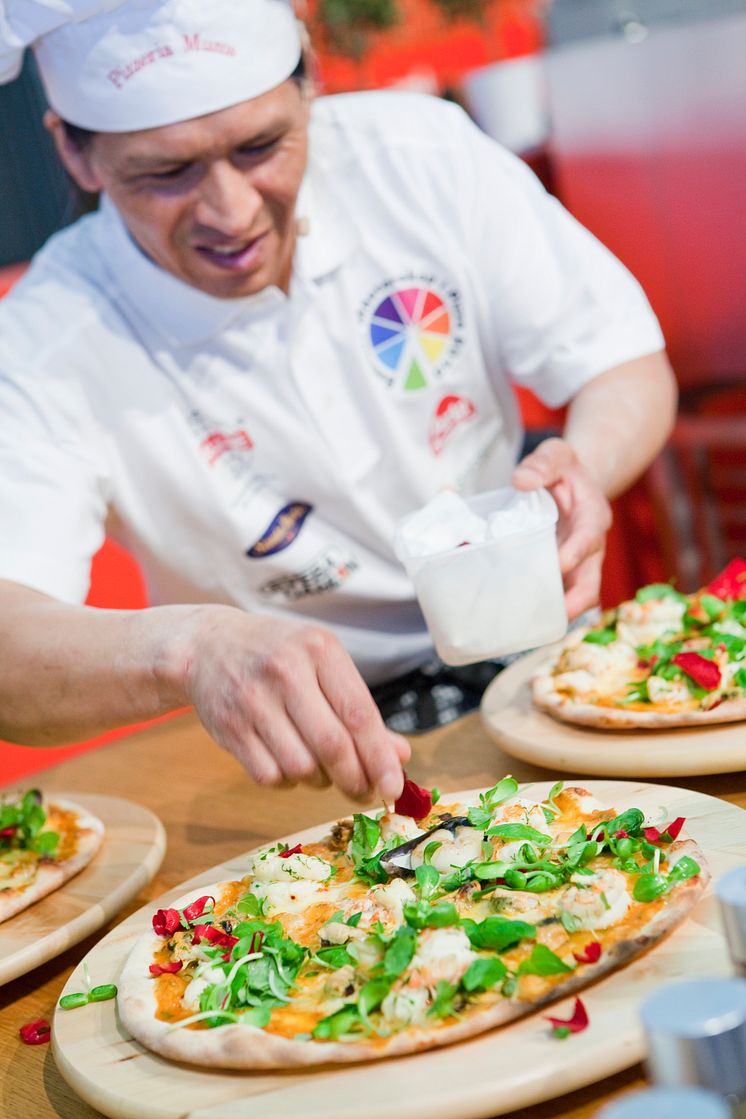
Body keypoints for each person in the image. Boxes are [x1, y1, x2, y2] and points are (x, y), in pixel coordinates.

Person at [0, 0, 677, 803]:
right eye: (165, 172)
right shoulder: (48, 332)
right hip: (299, 748)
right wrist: (192, 647)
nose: (232, 211)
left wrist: (585, 465)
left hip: (543, 663)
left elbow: (623, 364)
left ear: (312, 80)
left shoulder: (419, 157)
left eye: (261, 147)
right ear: (73, 152)